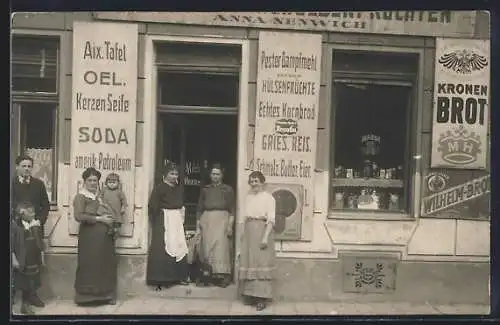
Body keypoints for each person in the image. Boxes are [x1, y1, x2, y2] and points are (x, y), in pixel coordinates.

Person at [73, 167, 118, 306]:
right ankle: (85, 298)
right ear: (84, 182)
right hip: (89, 237)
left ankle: (106, 296)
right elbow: (79, 216)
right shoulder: (81, 196)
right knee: (89, 265)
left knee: (104, 264)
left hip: (104, 239)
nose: (93, 183)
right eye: (90, 180)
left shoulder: (99, 197)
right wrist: (101, 219)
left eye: (95, 180)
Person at [238, 171, 276, 311]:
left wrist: (265, 237)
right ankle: (250, 295)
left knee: (261, 262)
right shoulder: (248, 198)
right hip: (249, 231)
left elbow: (271, 219)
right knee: (249, 261)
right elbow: (244, 217)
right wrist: (242, 233)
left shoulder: (269, 198)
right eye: (252, 181)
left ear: (262, 183)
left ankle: (262, 298)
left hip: (262, 230)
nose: (254, 184)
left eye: (256, 181)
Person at [146, 162, 189, 289]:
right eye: (171, 173)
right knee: (163, 247)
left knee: (178, 245)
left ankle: (178, 276)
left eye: (176, 174)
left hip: (176, 220)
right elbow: (153, 205)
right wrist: (159, 219)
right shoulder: (159, 188)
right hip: (164, 219)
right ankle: (160, 278)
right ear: (165, 175)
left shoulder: (178, 189)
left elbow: (182, 203)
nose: (174, 176)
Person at [196, 163, 235, 287]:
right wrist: (198, 225)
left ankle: (223, 276)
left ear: (222, 175)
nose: (215, 176)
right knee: (207, 248)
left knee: (221, 248)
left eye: (218, 174)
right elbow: (199, 208)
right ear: (210, 175)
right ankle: (208, 275)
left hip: (222, 219)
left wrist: (230, 225)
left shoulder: (228, 189)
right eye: (213, 174)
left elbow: (232, 209)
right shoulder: (205, 189)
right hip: (207, 219)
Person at [11, 155, 50, 261]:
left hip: (35, 228)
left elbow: (46, 205)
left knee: (34, 261)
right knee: (18, 263)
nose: (27, 168)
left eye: (29, 166)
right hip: (17, 229)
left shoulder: (39, 184)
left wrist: (39, 221)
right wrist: (18, 214)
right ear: (17, 167)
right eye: (23, 166)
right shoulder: (11, 184)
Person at [11, 201, 45, 315]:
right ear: (22, 213)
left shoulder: (35, 225)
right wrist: (13, 258)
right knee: (17, 283)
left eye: (34, 212)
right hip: (21, 260)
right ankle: (12, 305)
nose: (33, 214)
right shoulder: (15, 226)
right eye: (30, 212)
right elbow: (11, 244)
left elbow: (39, 243)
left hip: (32, 260)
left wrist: (42, 255)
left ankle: (26, 305)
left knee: (30, 283)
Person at [99, 173, 128, 239]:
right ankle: (110, 229)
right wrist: (100, 202)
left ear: (118, 183)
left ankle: (116, 231)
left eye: (114, 182)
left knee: (116, 221)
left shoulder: (119, 191)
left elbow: (124, 200)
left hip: (116, 210)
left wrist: (123, 207)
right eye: (109, 182)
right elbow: (99, 196)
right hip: (106, 208)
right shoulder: (104, 190)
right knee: (108, 219)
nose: (111, 184)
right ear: (106, 182)